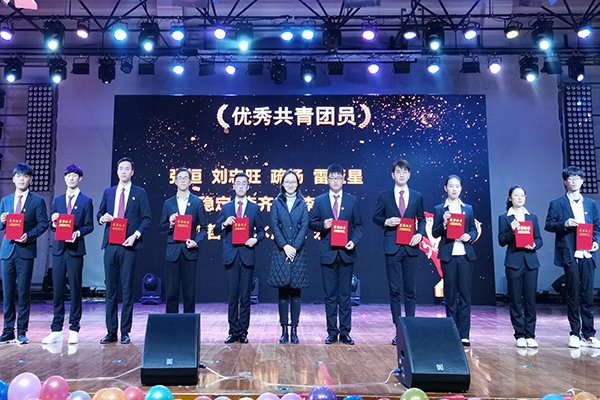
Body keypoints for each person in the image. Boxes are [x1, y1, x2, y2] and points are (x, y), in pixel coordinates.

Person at [97, 157, 152, 344]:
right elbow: (99, 213)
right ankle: (111, 331)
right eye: (120, 168)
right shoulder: (109, 192)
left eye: (127, 169)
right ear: (117, 171)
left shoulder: (139, 192)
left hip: (129, 245)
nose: (123, 171)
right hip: (110, 245)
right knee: (110, 290)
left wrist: (135, 235)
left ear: (132, 172)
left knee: (127, 290)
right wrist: (102, 218)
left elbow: (147, 218)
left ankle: (125, 331)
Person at [545, 166, 600, 349]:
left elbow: (597, 227)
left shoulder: (590, 204)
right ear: (565, 182)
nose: (575, 181)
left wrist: (596, 242)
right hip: (570, 253)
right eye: (571, 178)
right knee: (573, 295)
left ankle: (589, 334)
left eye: (578, 178)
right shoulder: (557, 203)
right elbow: (549, 225)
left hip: (587, 253)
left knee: (588, 295)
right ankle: (575, 333)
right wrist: (565, 224)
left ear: (582, 181)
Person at [372, 159, 425, 345]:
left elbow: (422, 219)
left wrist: (420, 234)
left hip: (411, 247)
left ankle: (411, 330)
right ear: (392, 175)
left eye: (405, 172)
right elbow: (376, 217)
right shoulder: (384, 195)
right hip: (392, 247)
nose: (401, 175)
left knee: (410, 291)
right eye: (398, 172)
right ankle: (399, 331)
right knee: (394, 292)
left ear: (409, 174)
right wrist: (385, 222)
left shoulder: (417, 196)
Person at [309, 164, 363, 345]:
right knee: (330, 296)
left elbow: (359, 226)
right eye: (332, 178)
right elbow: (311, 223)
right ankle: (332, 331)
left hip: (346, 253)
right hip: (328, 254)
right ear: (327, 180)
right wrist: (323, 225)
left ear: (343, 179)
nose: (335, 181)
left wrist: (353, 241)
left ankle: (345, 332)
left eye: (338, 178)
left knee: (345, 295)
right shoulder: (320, 201)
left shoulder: (352, 200)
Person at [42, 164, 94, 345]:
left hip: (75, 249)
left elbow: (89, 226)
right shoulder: (57, 200)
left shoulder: (86, 201)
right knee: (57, 289)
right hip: (59, 249)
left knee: (75, 288)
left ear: (80, 179)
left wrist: (77, 233)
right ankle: (56, 329)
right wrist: (54, 224)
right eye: (68, 175)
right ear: (64, 178)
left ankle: (74, 328)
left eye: (74, 175)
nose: (71, 178)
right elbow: (52, 226)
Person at [0, 163, 49, 344]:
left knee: (23, 293)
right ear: (13, 179)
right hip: (7, 251)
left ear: (30, 179)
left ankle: (21, 331)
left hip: (25, 251)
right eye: (18, 176)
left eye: (25, 176)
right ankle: (7, 330)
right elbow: (1, 225)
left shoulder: (37, 201)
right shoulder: (5, 200)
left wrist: (29, 235)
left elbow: (43, 224)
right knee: (7, 293)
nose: (22, 179)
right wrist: (1, 221)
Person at [215, 172, 265, 344]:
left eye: (244, 183)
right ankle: (232, 330)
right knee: (232, 296)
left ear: (248, 186)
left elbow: (261, 231)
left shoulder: (254, 208)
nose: (241, 186)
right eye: (238, 183)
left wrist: (255, 239)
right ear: (233, 186)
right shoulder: (226, 208)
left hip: (247, 254)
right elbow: (216, 230)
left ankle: (243, 331)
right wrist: (224, 224)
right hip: (231, 255)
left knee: (245, 297)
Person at [432, 175, 477, 346]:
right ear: (446, 188)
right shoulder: (439, 209)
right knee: (450, 295)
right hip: (448, 256)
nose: (454, 189)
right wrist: (444, 224)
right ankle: (451, 332)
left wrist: (469, 236)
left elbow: (473, 229)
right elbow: (435, 232)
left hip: (465, 255)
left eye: (457, 186)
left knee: (465, 295)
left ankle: (464, 334)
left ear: (461, 188)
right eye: (451, 186)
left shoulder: (468, 209)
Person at [498, 185, 543, 348]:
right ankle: (520, 335)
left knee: (530, 300)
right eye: (516, 195)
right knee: (516, 300)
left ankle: (530, 334)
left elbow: (539, 239)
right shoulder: (505, 218)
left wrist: (534, 245)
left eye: (522, 195)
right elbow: (501, 241)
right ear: (510, 198)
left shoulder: (532, 217)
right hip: (513, 262)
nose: (519, 198)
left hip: (531, 262)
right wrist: (512, 230)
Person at [267, 170, 309, 344]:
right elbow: (275, 226)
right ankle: (284, 330)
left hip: (297, 254)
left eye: (293, 182)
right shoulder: (277, 203)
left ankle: (294, 330)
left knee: (296, 293)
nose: (290, 185)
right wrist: (285, 246)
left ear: (298, 184)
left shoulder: (302, 203)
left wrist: (294, 247)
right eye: (287, 182)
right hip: (281, 252)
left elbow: (304, 226)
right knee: (283, 294)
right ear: (282, 184)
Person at [158, 167, 208, 314]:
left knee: (189, 293)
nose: (183, 181)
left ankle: (189, 325)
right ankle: (171, 325)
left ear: (191, 181)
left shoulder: (197, 202)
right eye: (180, 178)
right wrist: (170, 223)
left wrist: (196, 241)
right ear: (175, 181)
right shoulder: (168, 203)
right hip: (173, 251)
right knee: (172, 293)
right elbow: (161, 228)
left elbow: (204, 228)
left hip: (189, 251)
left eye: (186, 178)